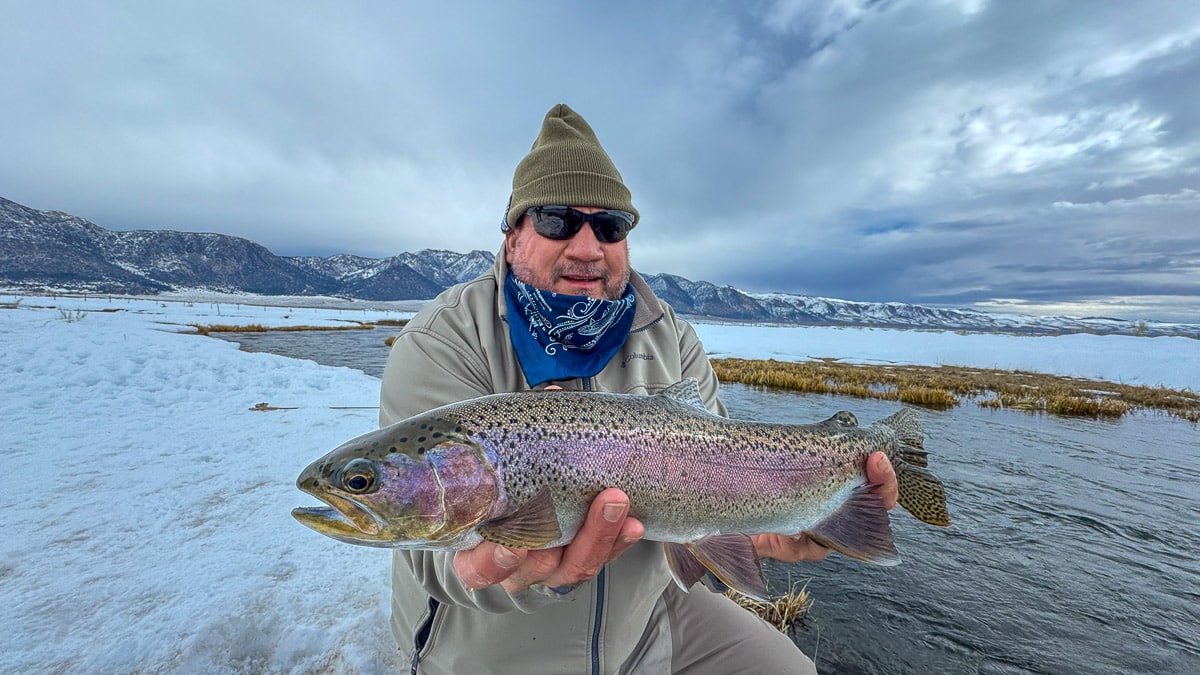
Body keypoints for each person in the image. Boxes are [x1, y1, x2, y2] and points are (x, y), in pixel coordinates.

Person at [379, 103, 899, 674]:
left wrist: (775, 525)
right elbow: (424, 551)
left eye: (609, 226)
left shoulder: (671, 335)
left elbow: (714, 482)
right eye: (556, 220)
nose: (586, 247)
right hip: (491, 650)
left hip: (646, 617)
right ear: (512, 238)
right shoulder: (443, 338)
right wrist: (506, 570)